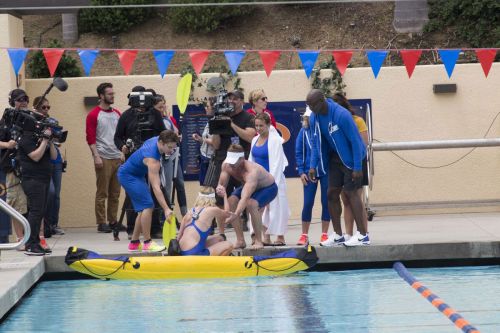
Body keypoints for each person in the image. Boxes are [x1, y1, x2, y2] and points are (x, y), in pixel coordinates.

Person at [306, 89, 369, 247]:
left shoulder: (341, 115)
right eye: (309, 106)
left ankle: (363, 235)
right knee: (331, 194)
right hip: (335, 159)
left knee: (351, 193)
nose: (311, 109)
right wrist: (312, 165)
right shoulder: (315, 117)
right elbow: (315, 142)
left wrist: (356, 167)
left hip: (353, 158)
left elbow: (355, 141)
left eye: (313, 105)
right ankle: (339, 235)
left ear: (322, 101)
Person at [114, 86, 167, 238]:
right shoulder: (126, 116)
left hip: (153, 156)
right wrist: (122, 147)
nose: (141, 108)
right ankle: (132, 229)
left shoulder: (155, 114)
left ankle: (154, 228)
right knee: (134, 194)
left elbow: (162, 134)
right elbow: (117, 137)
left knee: (155, 189)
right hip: (134, 159)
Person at [117, 130, 176, 252]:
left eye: (173, 148)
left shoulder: (156, 138)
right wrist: (166, 209)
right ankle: (147, 243)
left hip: (136, 175)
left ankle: (134, 243)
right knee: (148, 205)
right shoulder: (153, 160)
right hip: (128, 176)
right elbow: (156, 187)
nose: (171, 151)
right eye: (169, 147)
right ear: (161, 143)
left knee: (143, 209)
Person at [216, 144, 278, 250]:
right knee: (231, 201)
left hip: (268, 188)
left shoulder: (252, 172)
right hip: (248, 186)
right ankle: (240, 240)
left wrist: (236, 214)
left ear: (241, 159)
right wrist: (219, 189)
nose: (231, 164)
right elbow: (221, 185)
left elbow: (245, 198)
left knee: (251, 204)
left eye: (234, 161)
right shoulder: (226, 165)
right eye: (230, 160)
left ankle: (258, 241)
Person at [17, 109, 58, 255]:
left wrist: (50, 141)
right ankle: (31, 244)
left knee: (40, 212)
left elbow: (53, 157)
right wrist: (45, 141)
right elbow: (35, 156)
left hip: (44, 178)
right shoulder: (26, 139)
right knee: (35, 212)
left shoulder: (40, 138)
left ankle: (35, 243)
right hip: (33, 180)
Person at [333, 93, 369, 246]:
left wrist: (356, 165)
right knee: (346, 200)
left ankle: (363, 233)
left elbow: (364, 143)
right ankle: (348, 233)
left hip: (356, 163)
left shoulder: (357, 121)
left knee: (356, 199)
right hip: (342, 164)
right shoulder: (334, 123)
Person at [86, 82, 123, 233]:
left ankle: (113, 221)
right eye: (109, 94)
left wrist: (122, 153)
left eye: (113, 94)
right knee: (102, 192)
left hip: (117, 157)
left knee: (115, 193)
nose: (112, 96)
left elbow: (121, 135)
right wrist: (96, 156)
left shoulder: (117, 114)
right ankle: (101, 223)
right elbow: (90, 138)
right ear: (101, 96)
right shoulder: (94, 114)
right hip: (103, 157)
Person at [249, 113, 289, 246]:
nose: (258, 128)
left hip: (273, 179)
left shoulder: (275, 140)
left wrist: (273, 184)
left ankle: (280, 237)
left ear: (268, 125)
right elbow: (251, 161)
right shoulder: (254, 140)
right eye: (256, 126)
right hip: (259, 181)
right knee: (261, 208)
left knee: (276, 207)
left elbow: (277, 163)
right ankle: (265, 237)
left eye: (261, 125)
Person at [295, 107, 330, 245]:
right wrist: (301, 172)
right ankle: (304, 235)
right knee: (308, 202)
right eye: (306, 117)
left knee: (326, 202)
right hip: (310, 173)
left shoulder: (324, 131)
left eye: (310, 117)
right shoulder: (303, 132)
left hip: (326, 171)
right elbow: (299, 152)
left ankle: (325, 234)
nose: (308, 119)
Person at [0, 89, 29, 248]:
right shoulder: (6, 120)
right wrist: (7, 144)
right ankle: (20, 238)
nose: (23, 102)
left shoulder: (32, 119)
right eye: (19, 100)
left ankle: (36, 236)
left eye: (25, 99)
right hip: (12, 167)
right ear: (12, 102)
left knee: (34, 203)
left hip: (31, 167)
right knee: (16, 203)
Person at [177, 186, 233, 256]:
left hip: (182, 252)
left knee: (220, 238)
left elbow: (178, 237)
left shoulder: (190, 211)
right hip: (194, 253)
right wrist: (225, 196)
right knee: (229, 245)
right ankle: (214, 265)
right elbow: (227, 214)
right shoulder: (212, 210)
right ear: (213, 199)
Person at [192, 103, 220, 185]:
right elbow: (207, 139)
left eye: (208, 106)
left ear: (214, 109)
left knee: (210, 186)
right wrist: (200, 139)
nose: (205, 108)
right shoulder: (209, 121)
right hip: (204, 157)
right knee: (203, 184)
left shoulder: (217, 122)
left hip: (212, 160)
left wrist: (204, 139)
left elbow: (215, 143)